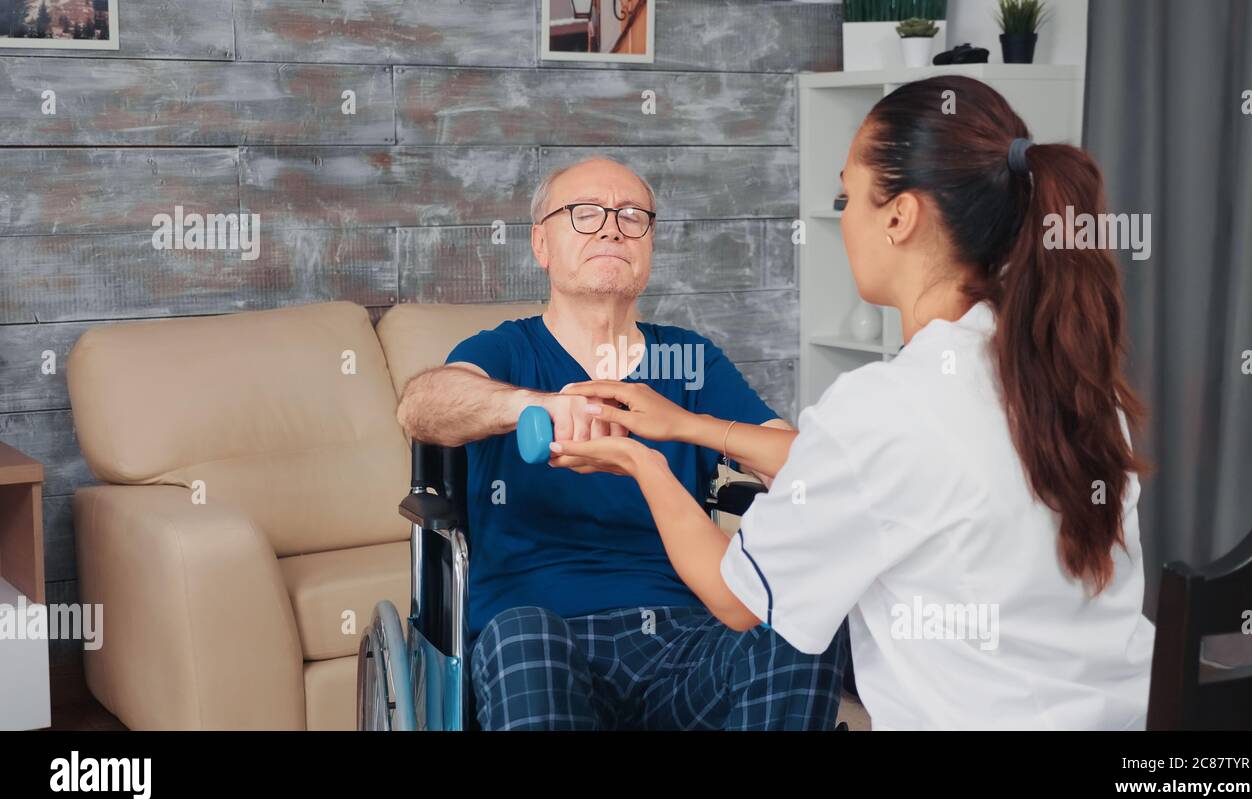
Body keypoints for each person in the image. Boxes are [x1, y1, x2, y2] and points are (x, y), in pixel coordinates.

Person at [551, 76, 1157, 730]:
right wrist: (688, 424)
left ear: (899, 216)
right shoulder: (1075, 384)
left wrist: (647, 464)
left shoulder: (884, 406)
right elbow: (859, 468)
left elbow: (734, 598)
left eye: (847, 194)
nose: (841, 218)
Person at [396, 156, 848, 730]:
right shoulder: (506, 352)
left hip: (686, 640)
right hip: (540, 635)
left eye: (633, 216)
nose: (612, 226)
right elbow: (422, 406)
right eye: (585, 214)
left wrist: (684, 424)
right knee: (520, 634)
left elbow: (810, 468)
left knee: (799, 620)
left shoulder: (690, 361)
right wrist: (533, 405)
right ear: (542, 244)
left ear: (650, 244)